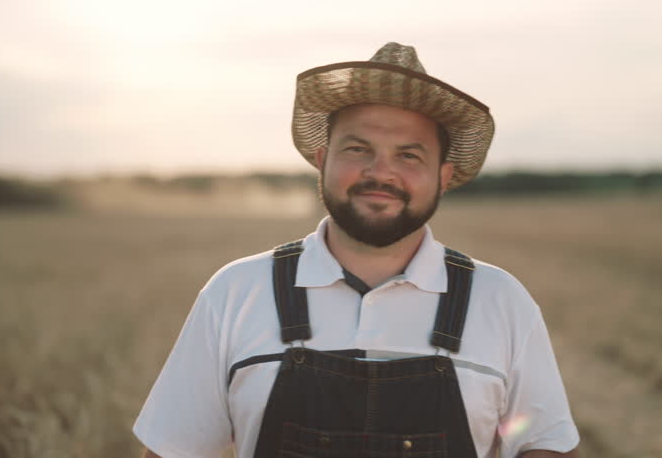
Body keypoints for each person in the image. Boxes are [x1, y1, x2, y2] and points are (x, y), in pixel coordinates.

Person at [133, 42, 580, 457]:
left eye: (409, 155)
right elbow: (174, 448)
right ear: (322, 159)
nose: (380, 173)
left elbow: (541, 444)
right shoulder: (235, 293)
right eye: (358, 148)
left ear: (443, 177)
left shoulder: (501, 302)